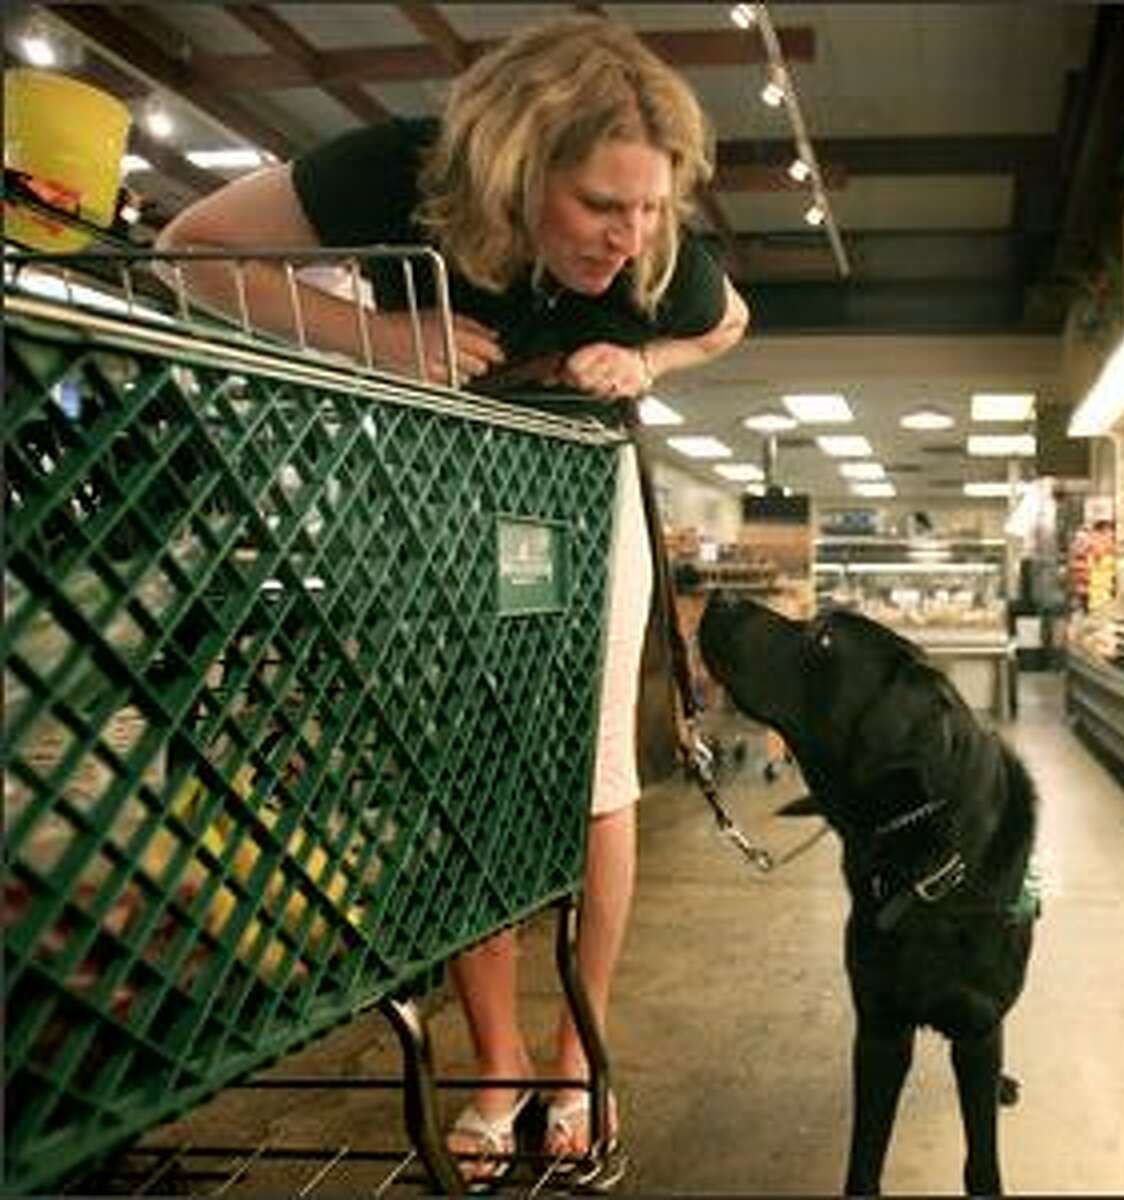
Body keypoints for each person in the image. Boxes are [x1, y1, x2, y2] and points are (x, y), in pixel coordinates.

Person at [156, 14, 749, 1185]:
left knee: (595, 775)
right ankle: (497, 1061)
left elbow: (729, 322)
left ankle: (579, 1049)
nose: (629, 240)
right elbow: (189, 248)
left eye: (648, 209)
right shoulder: (404, 170)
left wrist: (649, 362)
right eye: (597, 207)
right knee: (465, 767)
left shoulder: (656, 245)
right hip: (437, 487)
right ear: (519, 169)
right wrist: (373, 336)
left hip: (587, 489)